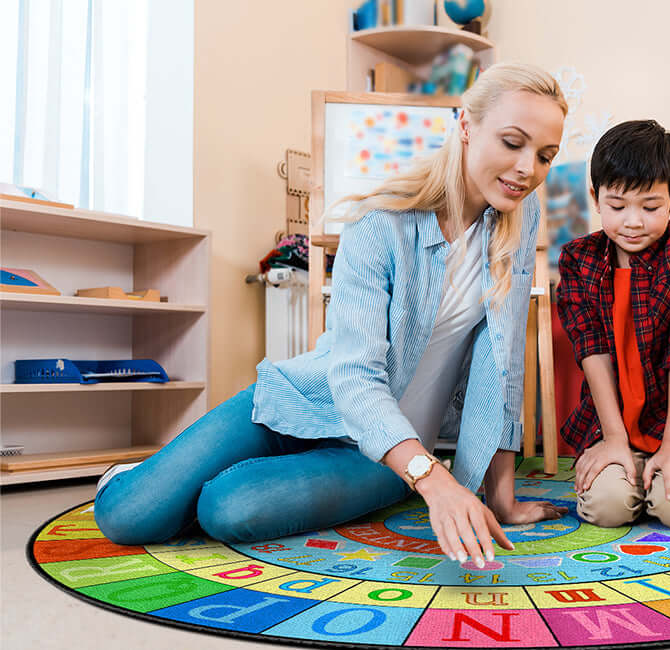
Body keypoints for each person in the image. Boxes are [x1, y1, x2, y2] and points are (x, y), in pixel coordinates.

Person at [94, 63, 569, 569]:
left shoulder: (522, 216)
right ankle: (154, 474)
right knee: (128, 516)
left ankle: (198, 478)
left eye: (545, 155)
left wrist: (498, 494)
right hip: (300, 402)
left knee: (227, 508)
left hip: (384, 452)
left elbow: (503, 366)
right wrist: (436, 483)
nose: (527, 168)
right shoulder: (379, 223)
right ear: (467, 127)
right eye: (513, 142)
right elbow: (355, 376)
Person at [556, 120, 670, 530]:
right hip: (613, 421)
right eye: (617, 206)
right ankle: (631, 462)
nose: (632, 222)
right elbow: (591, 353)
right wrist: (614, 439)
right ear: (595, 198)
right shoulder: (578, 259)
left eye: (650, 207)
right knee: (607, 510)